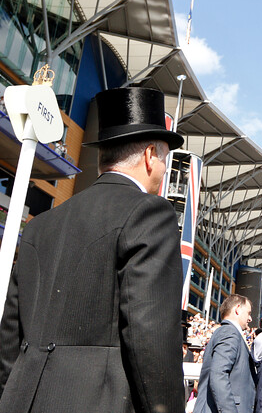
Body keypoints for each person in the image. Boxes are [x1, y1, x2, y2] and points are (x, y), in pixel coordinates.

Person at [0, 87, 184, 413]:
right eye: (165, 160)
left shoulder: (41, 225)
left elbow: (9, 341)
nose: (163, 169)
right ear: (150, 155)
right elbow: (151, 337)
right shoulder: (150, 213)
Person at [193, 294, 257, 413]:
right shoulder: (229, 332)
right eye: (248, 313)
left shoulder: (226, 332)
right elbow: (218, 374)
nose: (250, 319)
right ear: (237, 309)